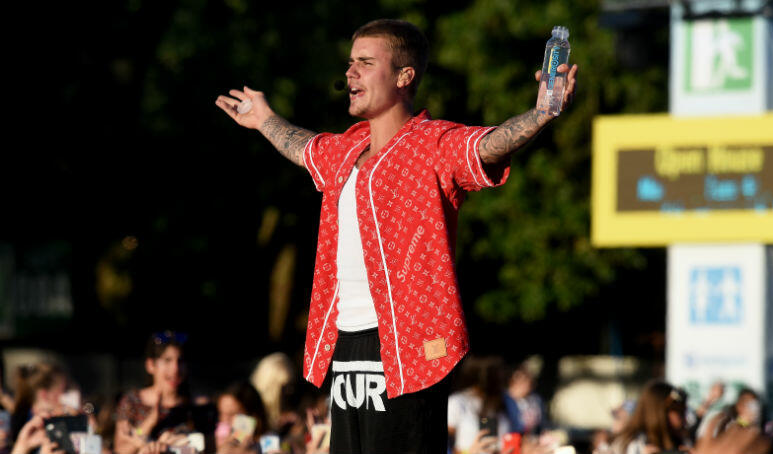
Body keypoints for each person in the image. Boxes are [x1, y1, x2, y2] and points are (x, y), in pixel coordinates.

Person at [216, 18, 578, 454]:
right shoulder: (345, 149)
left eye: (366, 63)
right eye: (350, 62)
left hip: (411, 346)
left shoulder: (433, 143)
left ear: (405, 76)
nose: (350, 72)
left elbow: (488, 145)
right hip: (343, 341)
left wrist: (541, 114)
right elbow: (303, 148)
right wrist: (265, 119)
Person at [114, 331, 192, 454]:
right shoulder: (133, 400)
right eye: (167, 360)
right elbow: (120, 449)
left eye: (180, 361)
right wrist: (149, 422)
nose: (175, 369)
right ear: (150, 365)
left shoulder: (191, 405)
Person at [611, 381, 691, 454]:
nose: (685, 420)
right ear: (660, 413)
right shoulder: (634, 444)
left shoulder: (682, 441)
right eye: (680, 413)